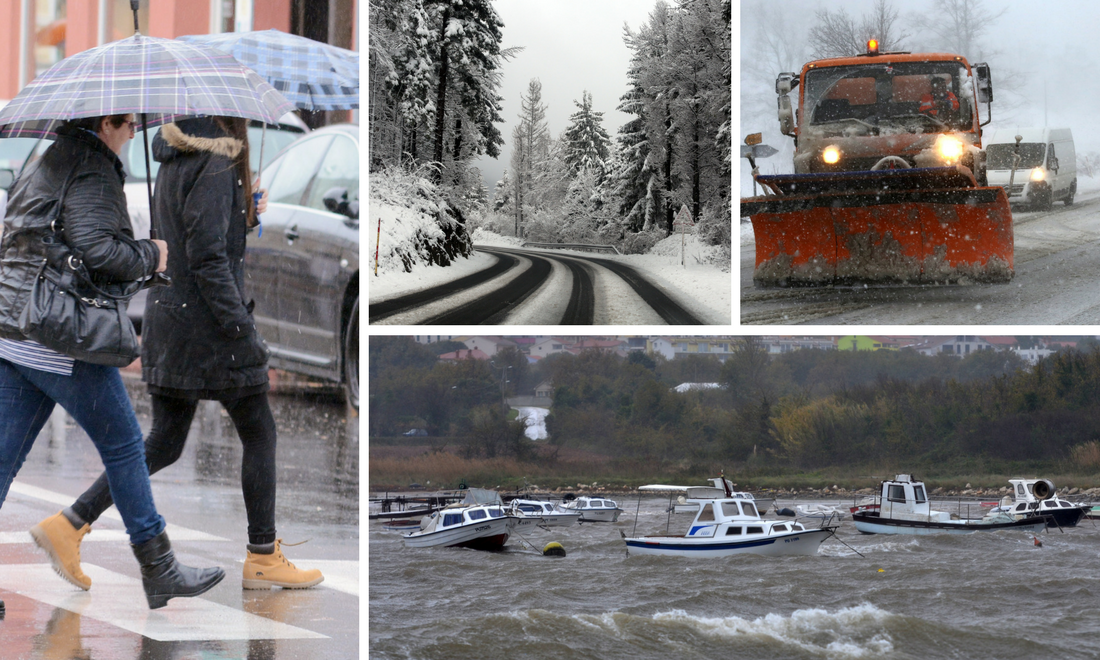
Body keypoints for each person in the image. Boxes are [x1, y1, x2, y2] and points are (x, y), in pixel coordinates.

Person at [32, 116, 323, 591]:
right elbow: (208, 259)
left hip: (174, 320)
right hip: (211, 330)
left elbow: (196, 241)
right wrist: (242, 330)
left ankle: (69, 524)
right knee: (259, 431)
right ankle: (263, 555)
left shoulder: (179, 157)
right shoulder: (215, 161)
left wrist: (243, 211)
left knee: (164, 443)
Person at [0, 114, 225, 610]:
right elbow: (98, 250)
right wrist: (150, 255)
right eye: (128, 127)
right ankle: (159, 567)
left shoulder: (53, 156)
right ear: (107, 124)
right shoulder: (91, 166)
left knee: (3, 457)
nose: (131, 137)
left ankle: (158, 566)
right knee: (124, 444)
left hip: (17, 326)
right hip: (61, 336)